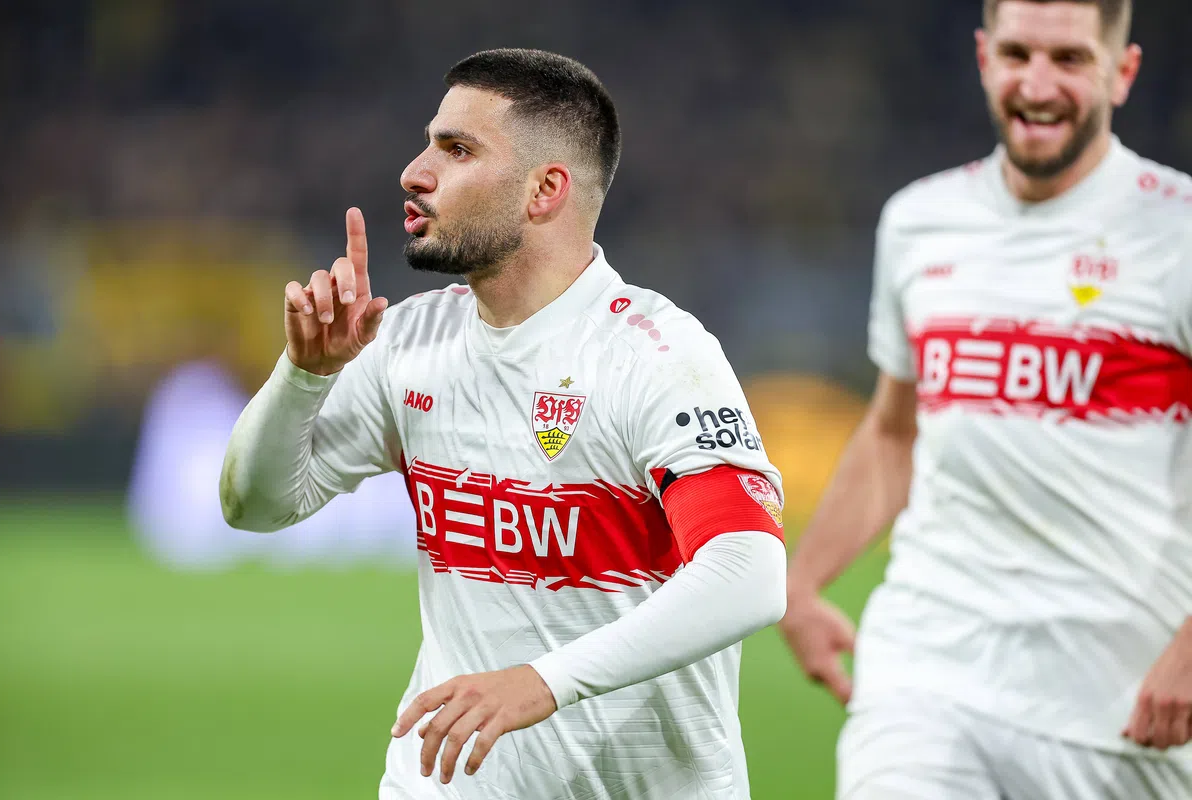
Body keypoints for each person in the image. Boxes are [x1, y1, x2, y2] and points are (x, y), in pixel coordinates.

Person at [219, 48, 788, 799]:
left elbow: (749, 573)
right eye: (429, 144)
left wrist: (545, 682)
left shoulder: (653, 354)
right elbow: (256, 506)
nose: (414, 173)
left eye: (457, 150)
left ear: (545, 190)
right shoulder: (408, 342)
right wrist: (305, 375)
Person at [778, 1, 1192, 797]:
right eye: (1017, 53)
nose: (1037, 84)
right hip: (927, 675)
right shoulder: (919, 221)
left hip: (1115, 711)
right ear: (983, 57)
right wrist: (800, 585)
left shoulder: (1177, 230)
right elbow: (894, 433)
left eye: (1069, 59)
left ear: (1123, 71)